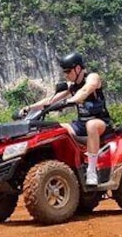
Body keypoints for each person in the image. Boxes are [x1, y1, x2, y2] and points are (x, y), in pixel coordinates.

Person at [21, 52, 112, 186]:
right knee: (55, 129)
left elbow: (86, 90)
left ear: (78, 68)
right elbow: (50, 100)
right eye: (64, 72)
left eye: (68, 71)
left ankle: (92, 171)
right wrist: (30, 108)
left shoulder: (92, 77)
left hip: (100, 122)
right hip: (80, 125)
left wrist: (70, 100)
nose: (66, 75)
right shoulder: (72, 85)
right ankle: (65, 167)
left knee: (91, 125)